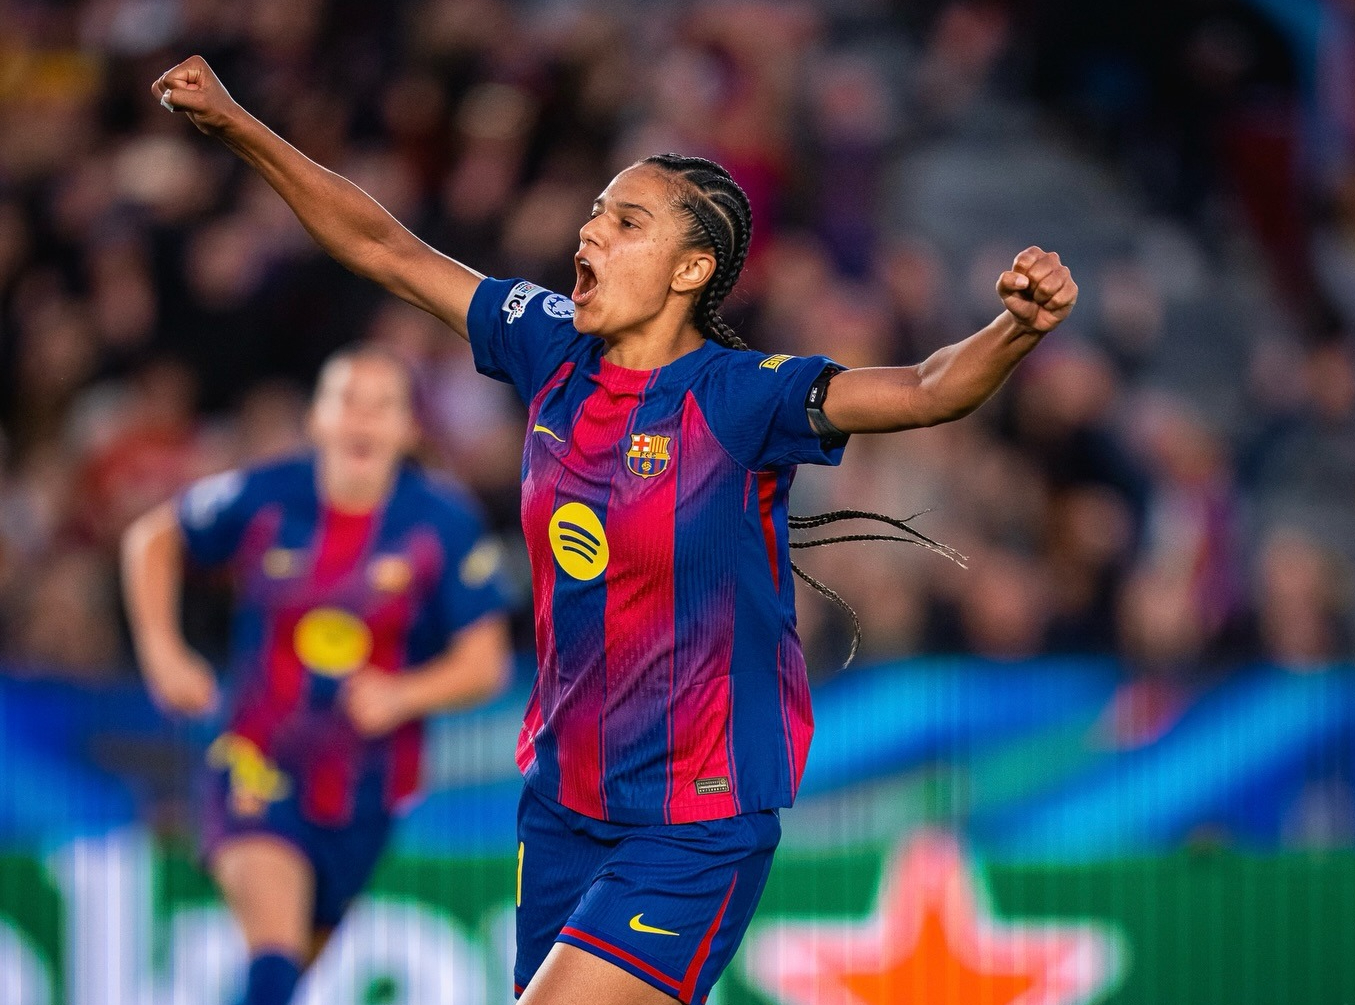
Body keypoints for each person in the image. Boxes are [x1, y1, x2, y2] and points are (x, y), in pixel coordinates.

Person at [147, 55, 1078, 1005]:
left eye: (626, 220)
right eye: (596, 211)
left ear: (691, 267)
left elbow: (925, 390)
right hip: (561, 807)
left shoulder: (741, 396)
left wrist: (1015, 330)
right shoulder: (548, 343)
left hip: (693, 822)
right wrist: (242, 130)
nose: (591, 229)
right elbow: (386, 247)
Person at [120, 346, 513, 1005]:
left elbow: (485, 664)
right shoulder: (265, 494)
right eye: (346, 401)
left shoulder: (443, 523)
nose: (362, 418)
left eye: (381, 404)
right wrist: (164, 654)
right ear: (318, 420)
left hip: (367, 789)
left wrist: (402, 694)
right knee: (274, 954)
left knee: (282, 980)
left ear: (407, 428)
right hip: (255, 760)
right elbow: (152, 539)